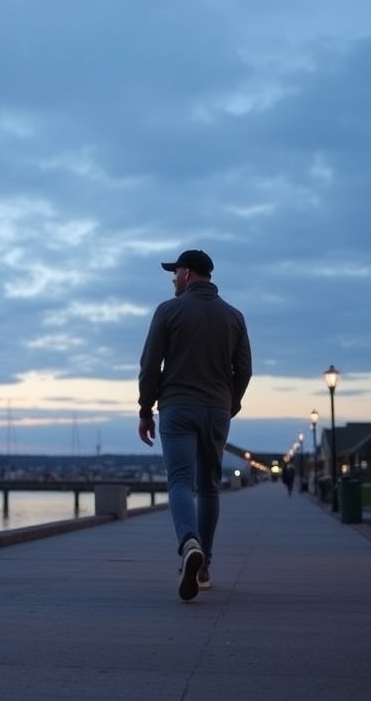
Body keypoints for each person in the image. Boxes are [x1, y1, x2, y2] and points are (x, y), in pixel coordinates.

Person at [137, 249, 253, 601]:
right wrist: (229, 405)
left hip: (177, 408)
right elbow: (244, 370)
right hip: (217, 408)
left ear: (186, 273)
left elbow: (150, 365)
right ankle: (203, 568)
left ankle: (189, 542)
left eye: (175, 273)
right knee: (209, 487)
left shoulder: (168, 310)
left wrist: (145, 409)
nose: (173, 279)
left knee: (180, 482)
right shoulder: (234, 316)